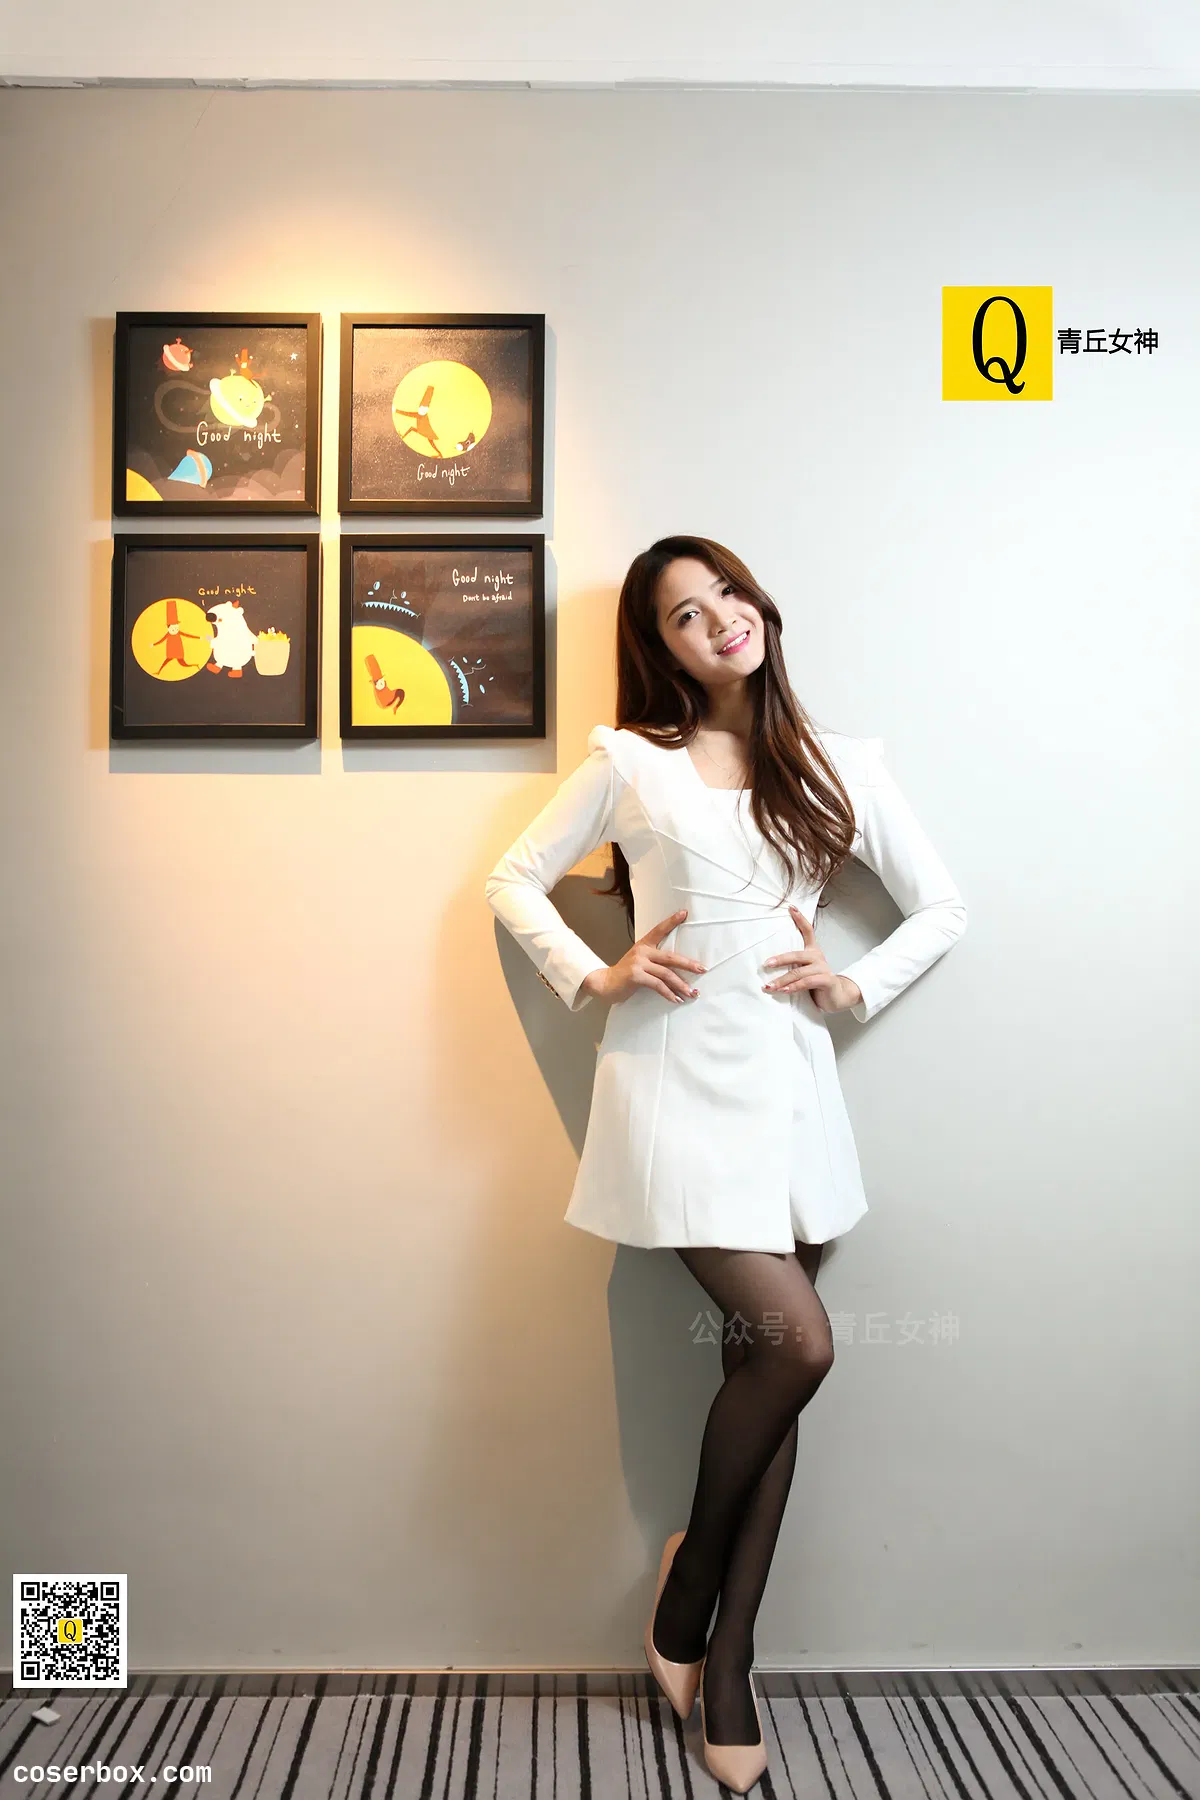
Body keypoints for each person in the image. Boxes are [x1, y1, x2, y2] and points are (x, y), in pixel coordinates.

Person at [484, 533, 967, 1793]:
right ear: (661, 646)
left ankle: (728, 1650)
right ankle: (688, 1590)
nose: (719, 623)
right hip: (673, 1086)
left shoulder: (836, 763)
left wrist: (851, 983)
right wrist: (600, 973)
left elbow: (943, 906)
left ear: (759, 603)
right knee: (797, 1347)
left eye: (728, 596)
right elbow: (513, 880)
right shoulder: (629, 762)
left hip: (793, 1093)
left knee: (765, 1369)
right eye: (685, 616)